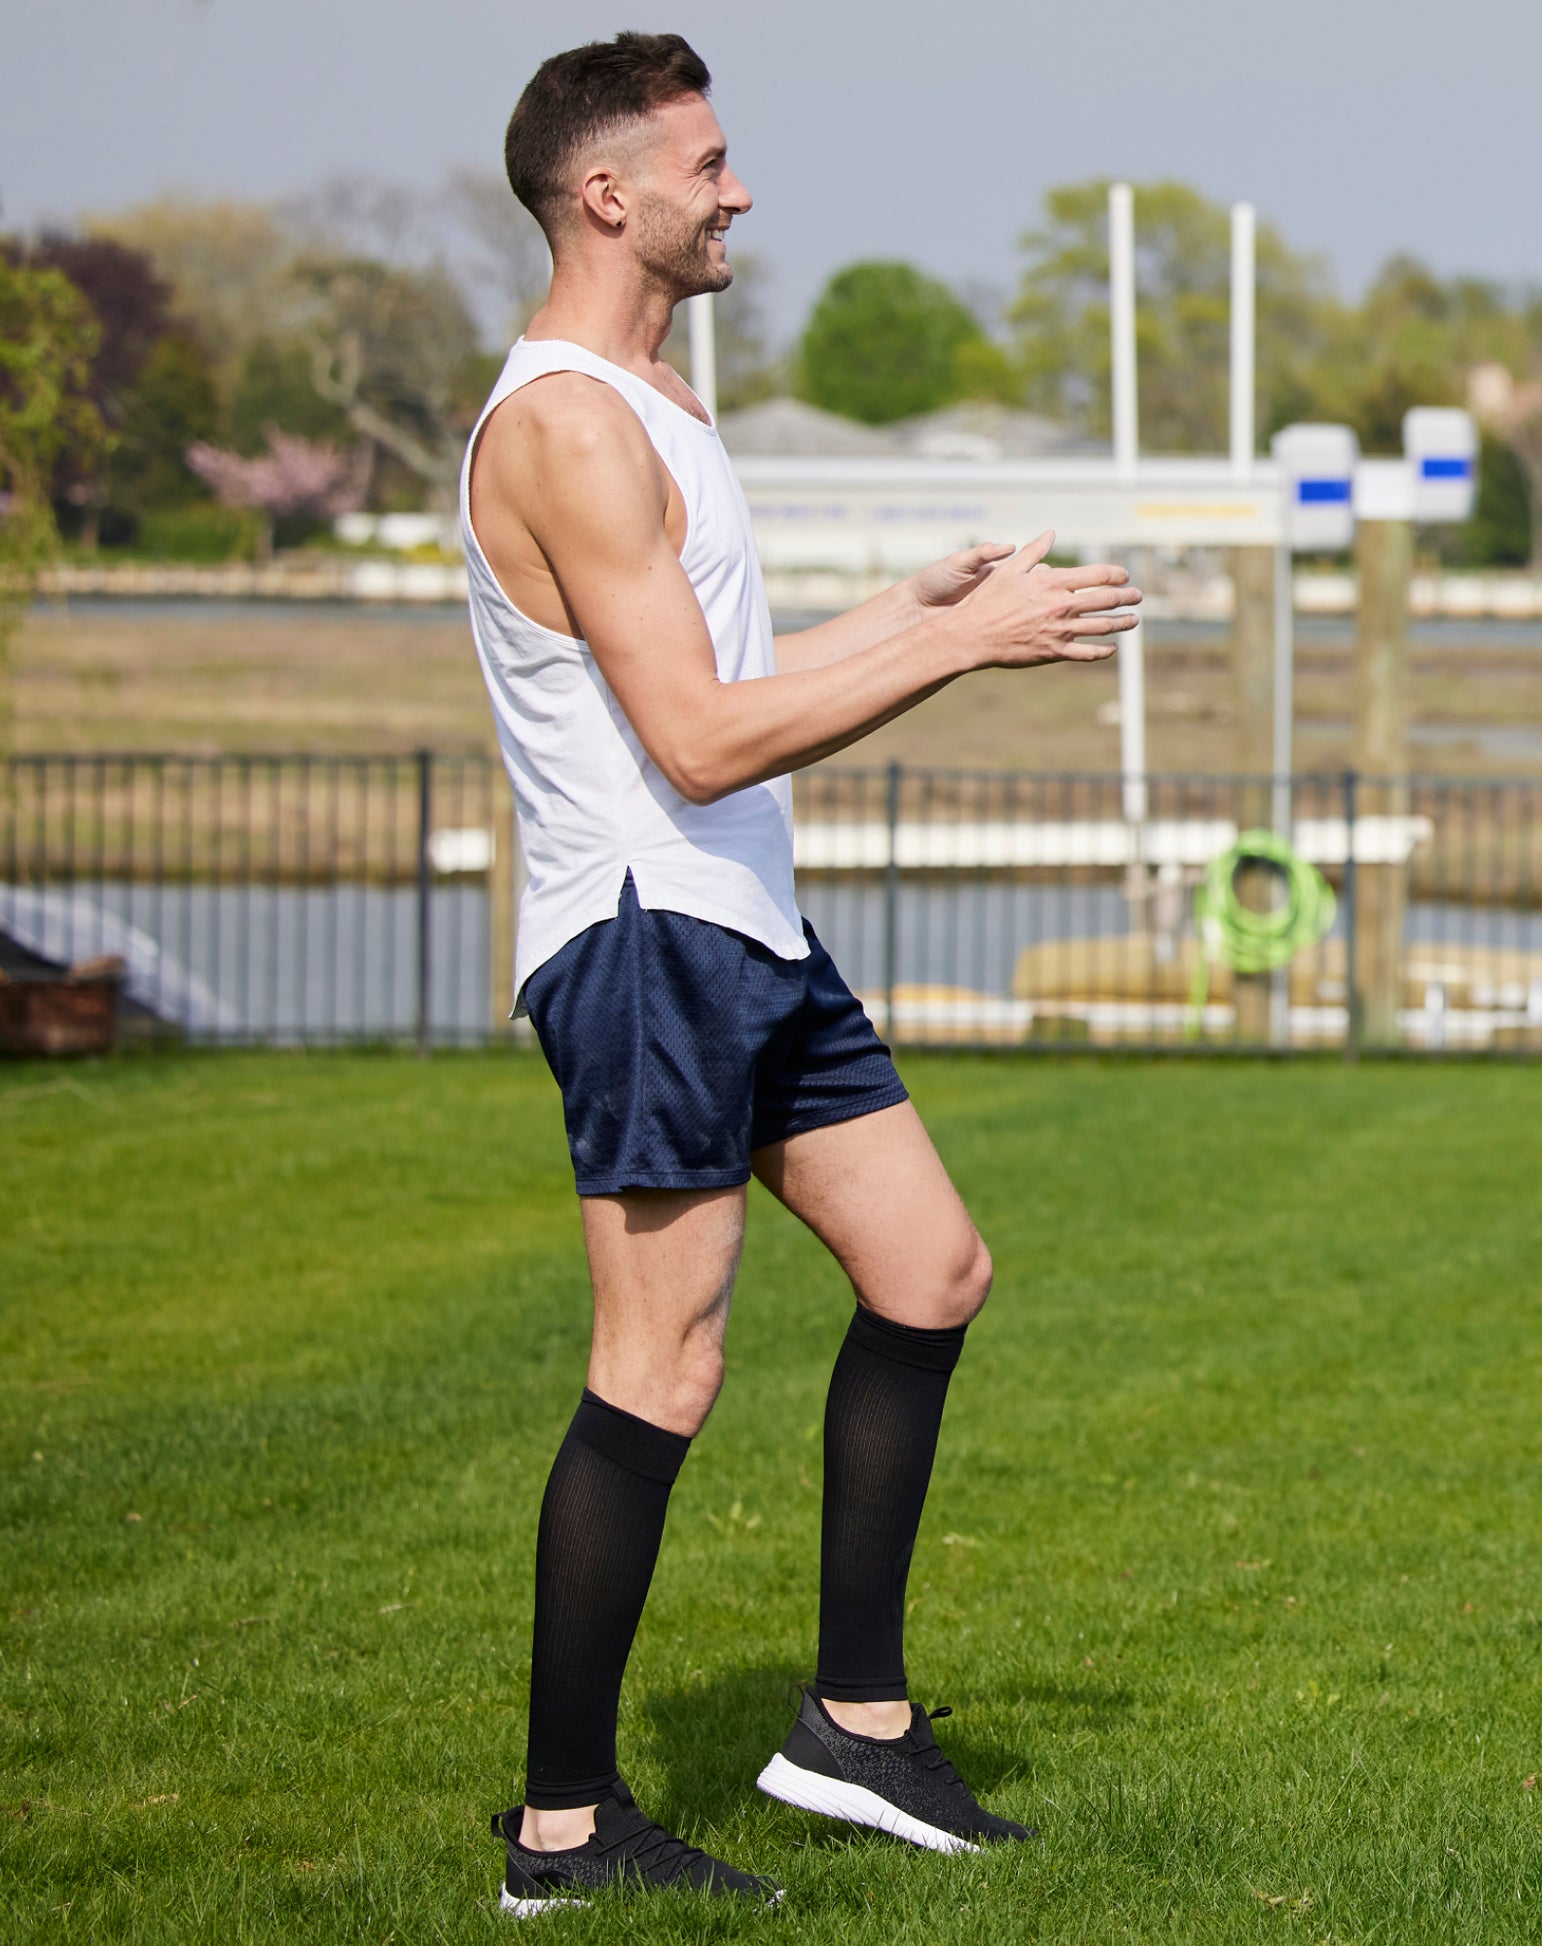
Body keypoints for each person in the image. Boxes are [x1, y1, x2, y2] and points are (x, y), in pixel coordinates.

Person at [462, 32, 1142, 1915]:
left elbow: (714, 677)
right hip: (646, 935)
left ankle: (851, 1724)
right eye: (708, 163)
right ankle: (562, 1830)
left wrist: (904, 613)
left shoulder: (657, 403)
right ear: (608, 193)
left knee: (931, 1267)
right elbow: (693, 744)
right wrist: (964, 650)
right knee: (659, 1363)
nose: (739, 189)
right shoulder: (567, 425)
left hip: (741, 924)